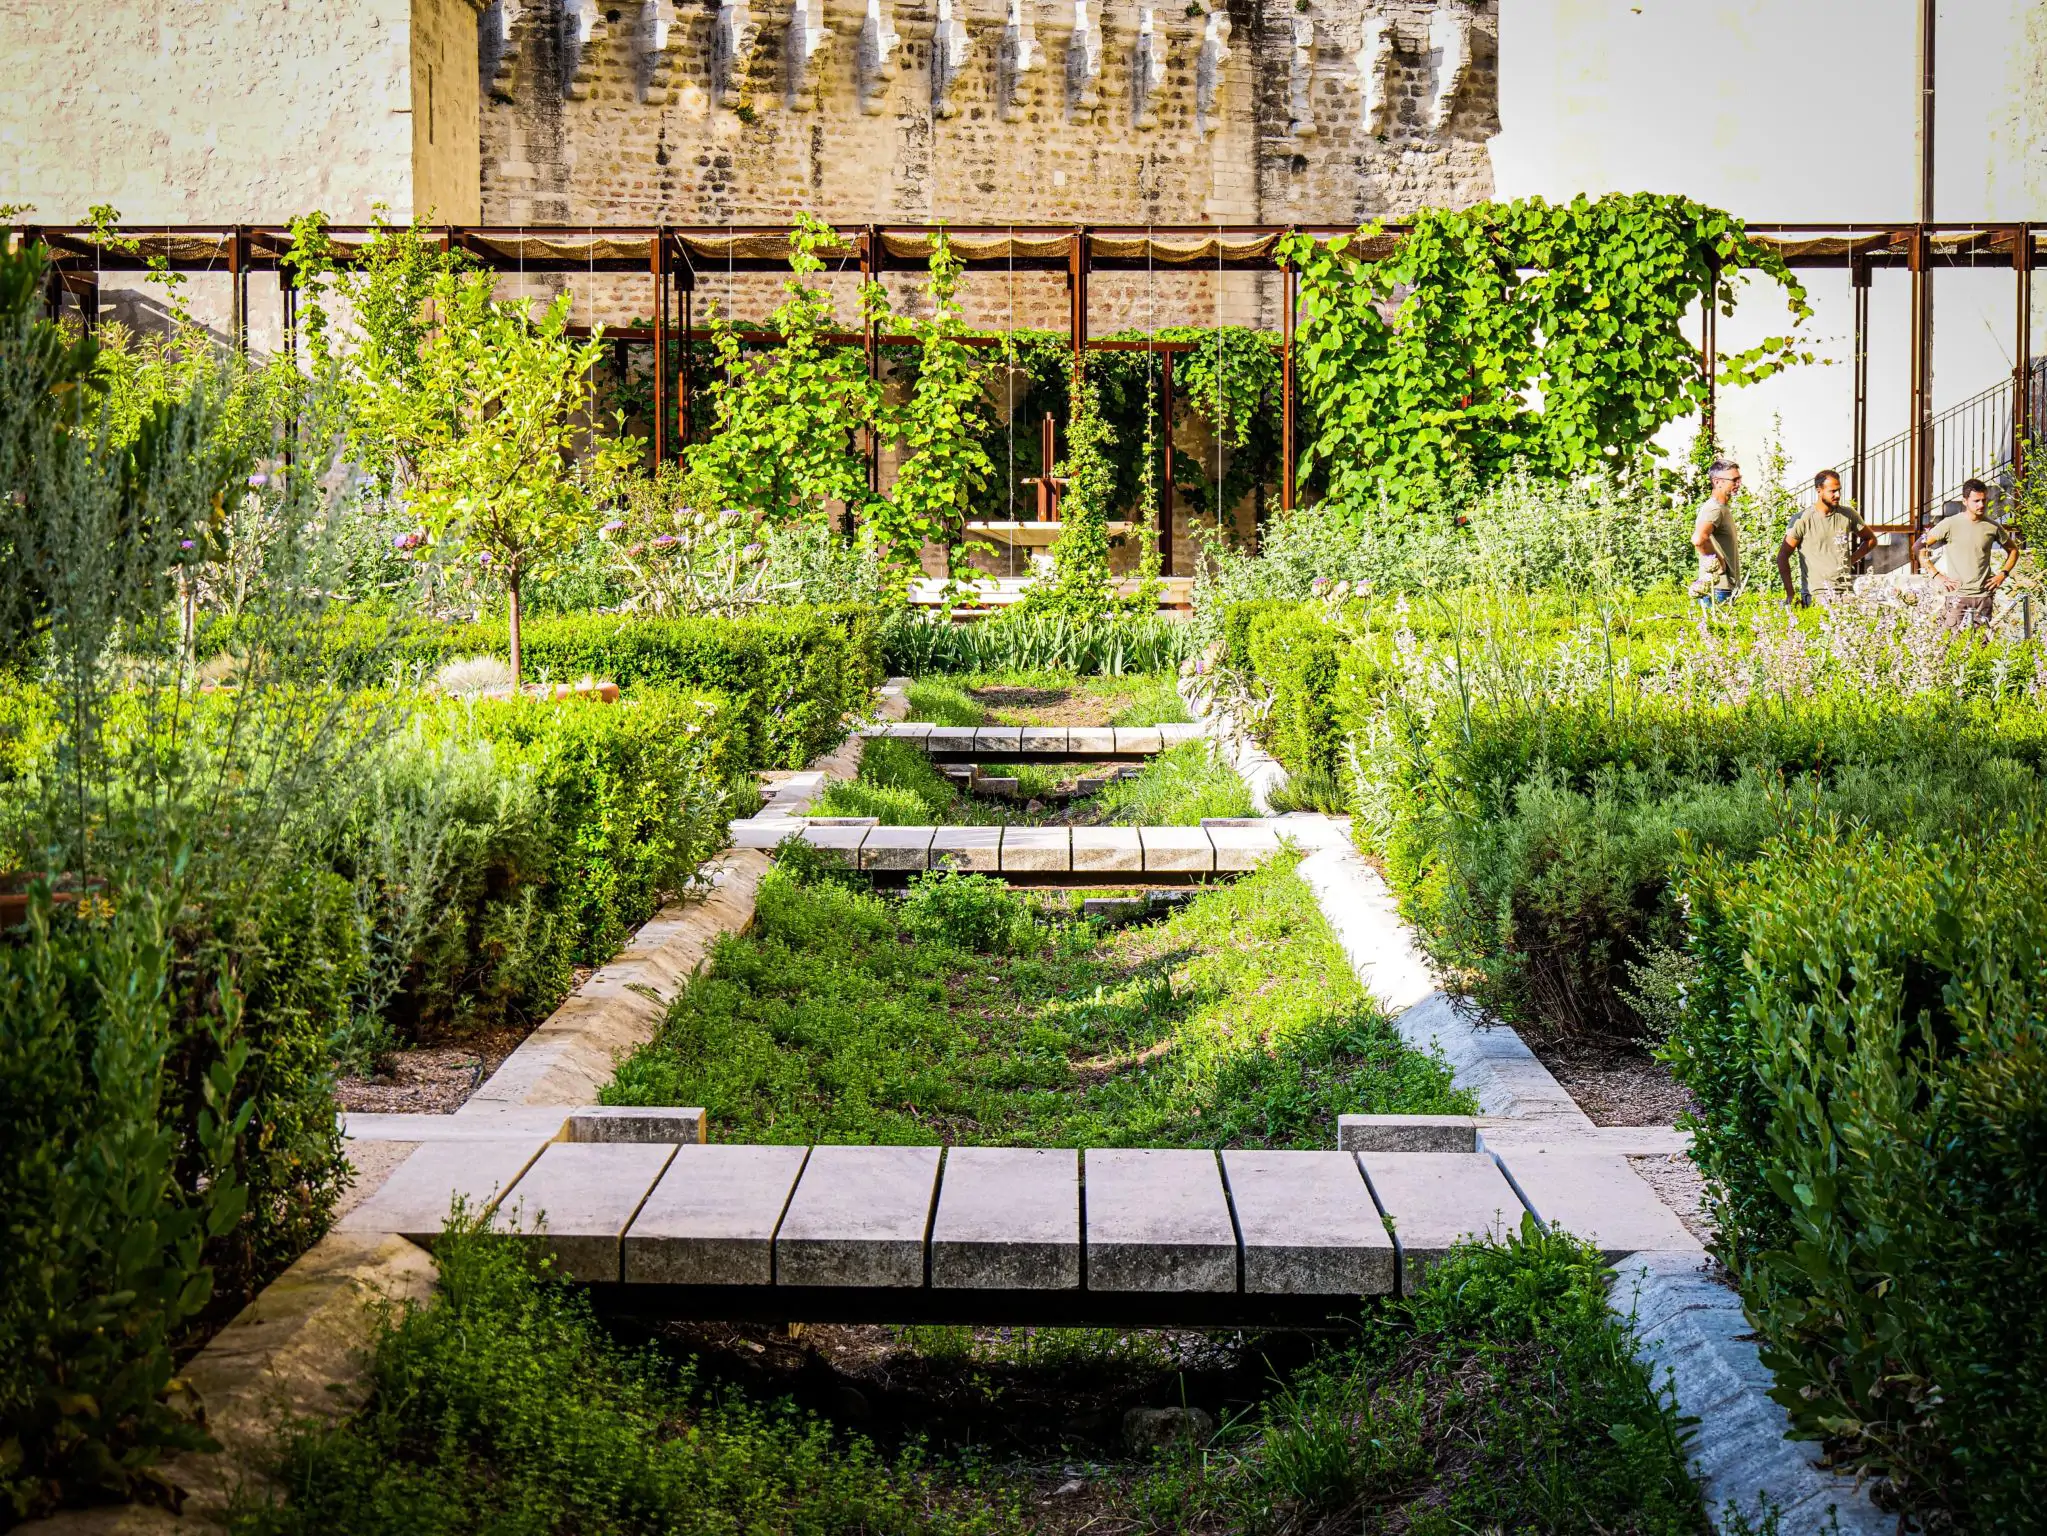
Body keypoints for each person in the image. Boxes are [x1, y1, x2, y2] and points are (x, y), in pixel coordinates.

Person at [1914, 479, 2019, 634]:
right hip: (1957, 596)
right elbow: (1918, 546)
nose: (1981, 505)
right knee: (1952, 646)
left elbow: (2014, 551)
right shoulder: (1950, 524)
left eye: (1984, 500)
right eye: (1976, 501)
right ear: (1965, 501)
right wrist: (1936, 575)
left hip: (1983, 596)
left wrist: (2002, 575)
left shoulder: (1992, 526)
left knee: (1982, 646)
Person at [1776, 469, 1873, 605]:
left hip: (1845, 592)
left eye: (1839, 490)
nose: (1838, 495)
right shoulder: (1803, 519)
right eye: (1832, 491)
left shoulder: (1848, 515)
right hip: (1816, 594)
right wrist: (1790, 594)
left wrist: (1850, 560)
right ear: (1819, 490)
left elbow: (1871, 540)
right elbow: (1782, 556)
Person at [1690, 459, 1742, 605]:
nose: (1738, 484)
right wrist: (1718, 562)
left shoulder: (1721, 507)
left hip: (1723, 588)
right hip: (1718, 589)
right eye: (1734, 480)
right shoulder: (1714, 509)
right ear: (1718, 482)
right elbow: (1698, 539)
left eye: (1739, 479)